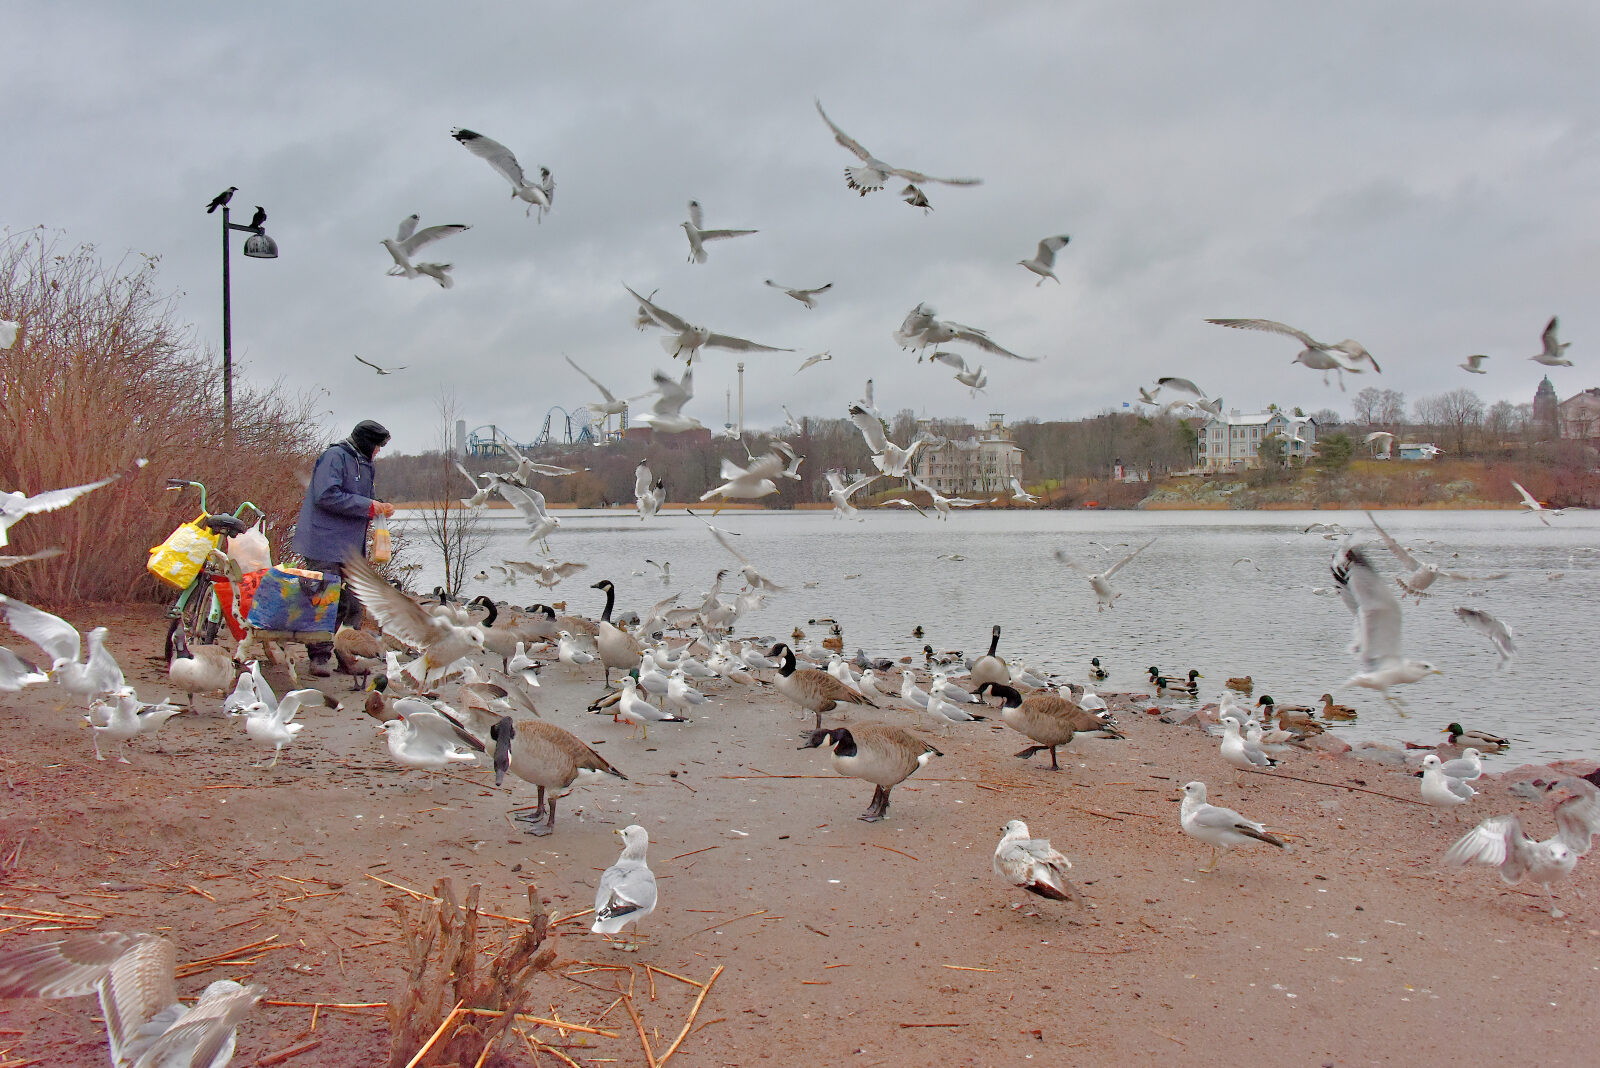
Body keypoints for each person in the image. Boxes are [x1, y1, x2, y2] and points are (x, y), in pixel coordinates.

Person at [293, 419, 394, 676]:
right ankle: (319, 657)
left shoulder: (365, 463)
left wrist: (377, 506)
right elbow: (326, 495)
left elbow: (357, 496)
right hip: (323, 541)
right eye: (378, 446)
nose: (379, 451)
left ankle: (346, 654)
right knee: (326, 600)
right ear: (367, 443)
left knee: (354, 602)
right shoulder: (334, 457)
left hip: (349, 544)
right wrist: (368, 506)